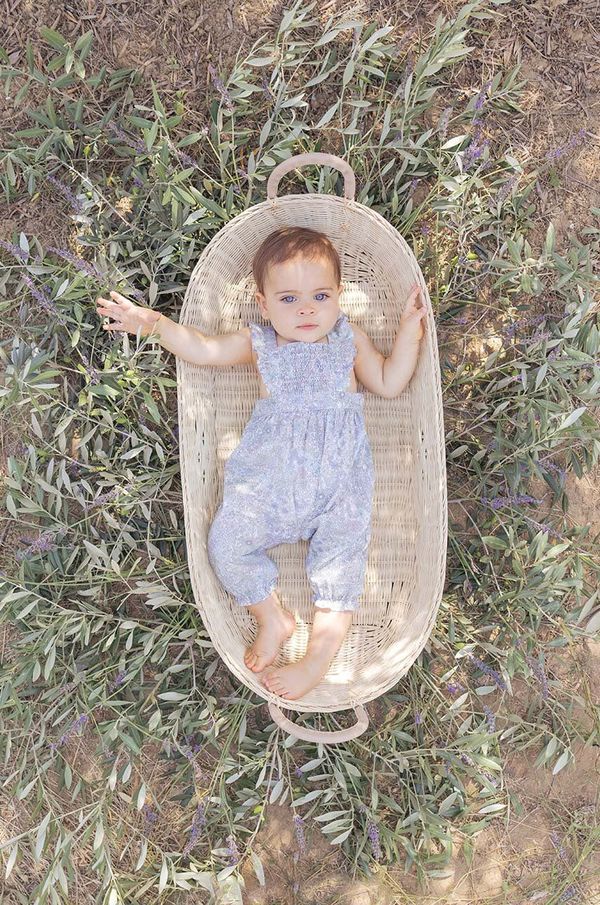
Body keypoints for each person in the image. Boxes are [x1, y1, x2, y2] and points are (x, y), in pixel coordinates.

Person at [96, 226, 426, 701]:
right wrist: (152, 324)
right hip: (269, 490)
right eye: (289, 299)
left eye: (320, 295)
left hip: (339, 488)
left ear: (339, 297)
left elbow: (391, 382)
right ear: (264, 304)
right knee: (225, 545)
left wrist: (409, 333)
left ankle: (316, 661)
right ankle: (273, 616)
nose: (307, 309)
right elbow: (204, 350)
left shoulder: (347, 339)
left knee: (342, 572)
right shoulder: (261, 343)